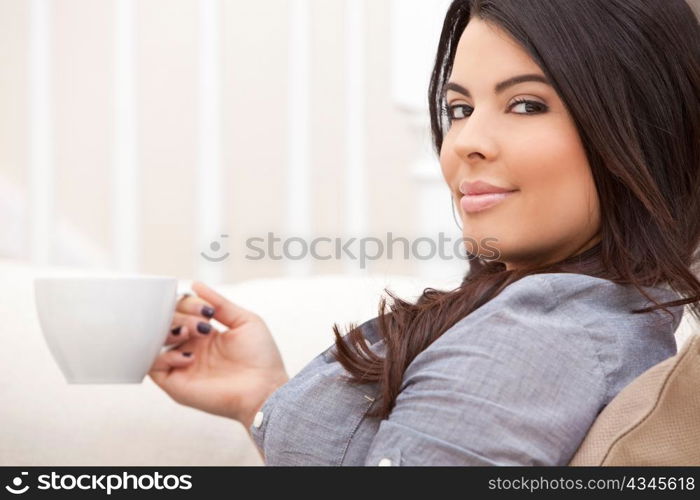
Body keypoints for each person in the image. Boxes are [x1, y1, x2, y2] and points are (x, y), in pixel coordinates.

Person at [148, 0, 700, 465]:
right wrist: (258, 394)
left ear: (642, 131)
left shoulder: (529, 343)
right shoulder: (569, 312)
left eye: (526, 104)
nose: (463, 142)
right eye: (458, 108)